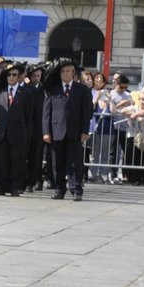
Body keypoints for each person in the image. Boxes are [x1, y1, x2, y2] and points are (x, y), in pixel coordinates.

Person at [42, 60, 93, 200]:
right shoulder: (53, 89)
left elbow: (86, 112)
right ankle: (59, 189)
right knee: (57, 163)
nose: (66, 74)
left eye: (68, 71)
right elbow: (46, 113)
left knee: (75, 162)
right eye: (63, 71)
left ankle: (76, 189)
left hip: (74, 132)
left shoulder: (82, 90)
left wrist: (84, 131)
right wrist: (46, 132)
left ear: (73, 73)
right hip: (56, 131)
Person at [0, 64, 31, 196]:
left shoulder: (25, 93)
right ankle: (1, 186)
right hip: (1, 132)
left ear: (19, 77)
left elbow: (29, 116)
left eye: (14, 75)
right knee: (1, 161)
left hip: (18, 133)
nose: (11, 77)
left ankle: (14, 187)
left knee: (16, 161)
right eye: (9, 75)